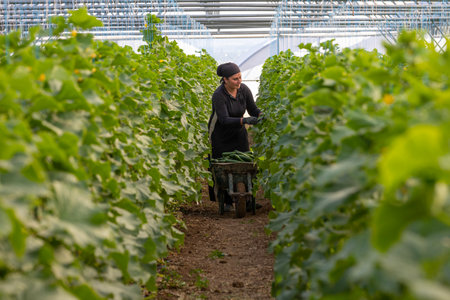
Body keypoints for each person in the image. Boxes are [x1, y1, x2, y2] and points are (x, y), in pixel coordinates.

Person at [208, 62, 262, 212]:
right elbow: (224, 120)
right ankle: (226, 202)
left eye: (240, 77)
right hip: (221, 135)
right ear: (225, 79)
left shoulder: (243, 90)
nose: (239, 81)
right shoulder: (219, 95)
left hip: (238, 134)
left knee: (246, 164)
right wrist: (244, 120)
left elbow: (252, 108)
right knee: (222, 168)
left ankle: (249, 199)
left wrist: (260, 115)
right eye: (235, 79)